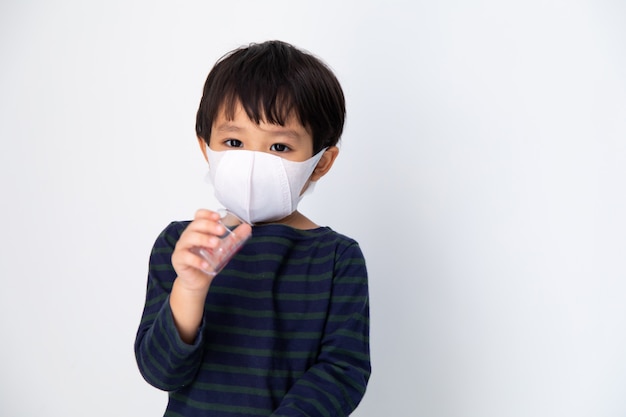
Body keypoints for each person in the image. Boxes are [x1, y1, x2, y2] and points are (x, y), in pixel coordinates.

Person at [134, 40, 370, 417]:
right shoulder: (182, 246)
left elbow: (344, 371)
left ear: (321, 162)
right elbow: (161, 371)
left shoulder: (337, 259)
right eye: (233, 142)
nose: (253, 162)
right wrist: (190, 288)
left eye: (279, 147)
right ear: (205, 146)